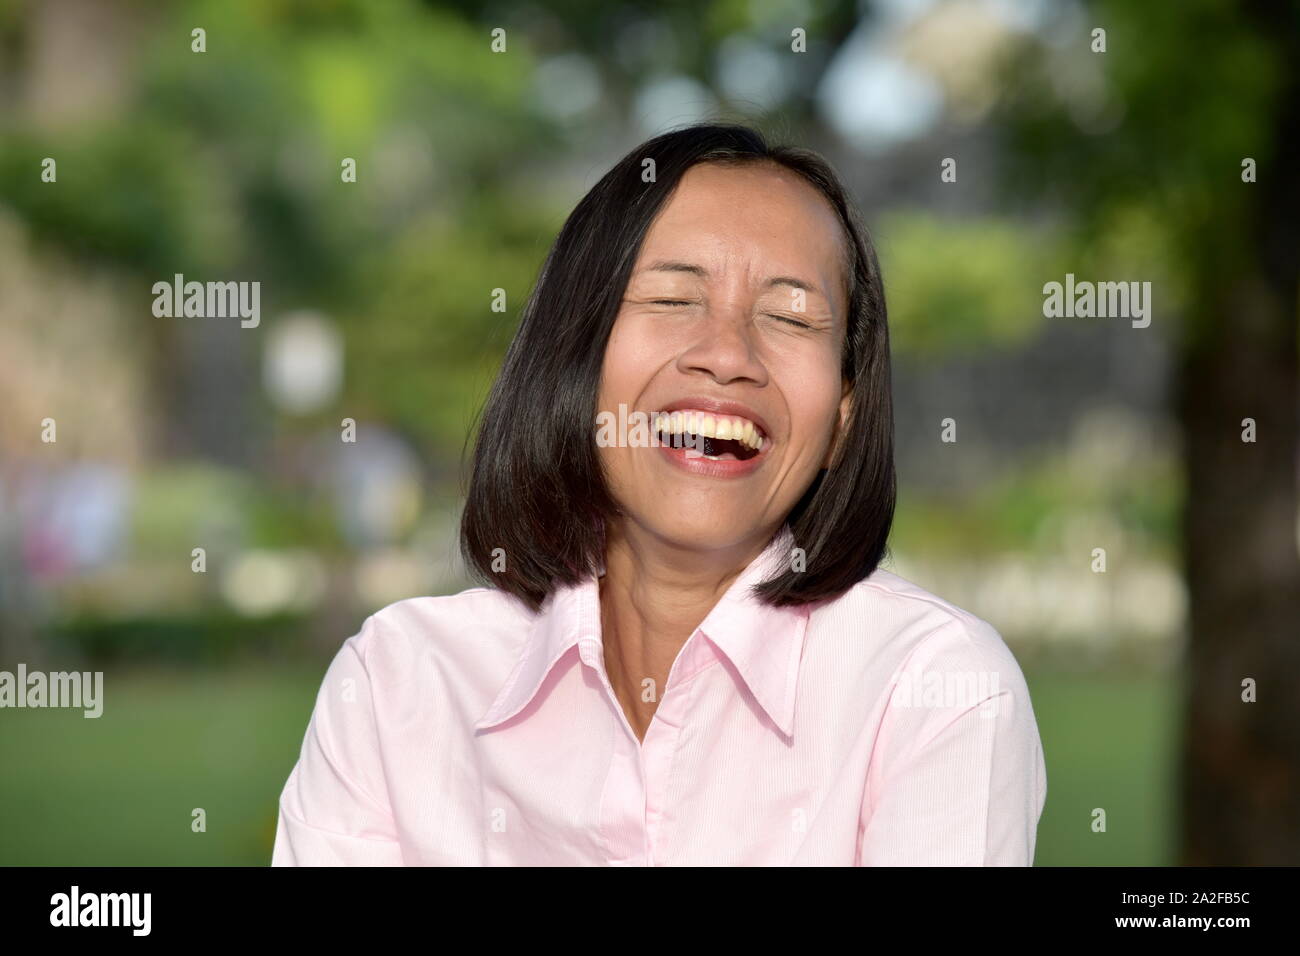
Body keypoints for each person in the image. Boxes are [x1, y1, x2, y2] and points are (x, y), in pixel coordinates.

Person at [272, 122, 1047, 866]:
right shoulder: (399, 686)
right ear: (574, 352)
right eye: (674, 300)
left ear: (843, 416)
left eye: (788, 316)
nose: (727, 356)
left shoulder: (931, 691)